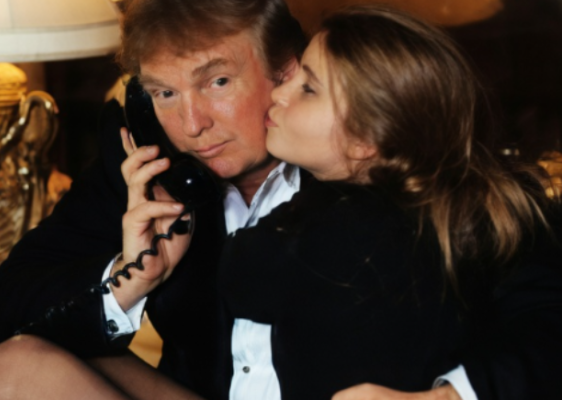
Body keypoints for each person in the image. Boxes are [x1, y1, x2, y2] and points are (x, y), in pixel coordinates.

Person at [0, 1, 562, 399]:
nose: (191, 123)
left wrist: (447, 399)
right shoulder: (147, 157)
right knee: (24, 364)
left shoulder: (384, 169)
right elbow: (11, 302)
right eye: (164, 93)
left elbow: (547, 320)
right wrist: (129, 278)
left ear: (287, 72)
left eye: (218, 81)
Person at [216, 5, 562, 399]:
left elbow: (237, 279)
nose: (278, 94)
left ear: (366, 139)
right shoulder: (480, 210)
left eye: (308, 89)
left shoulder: (320, 226)